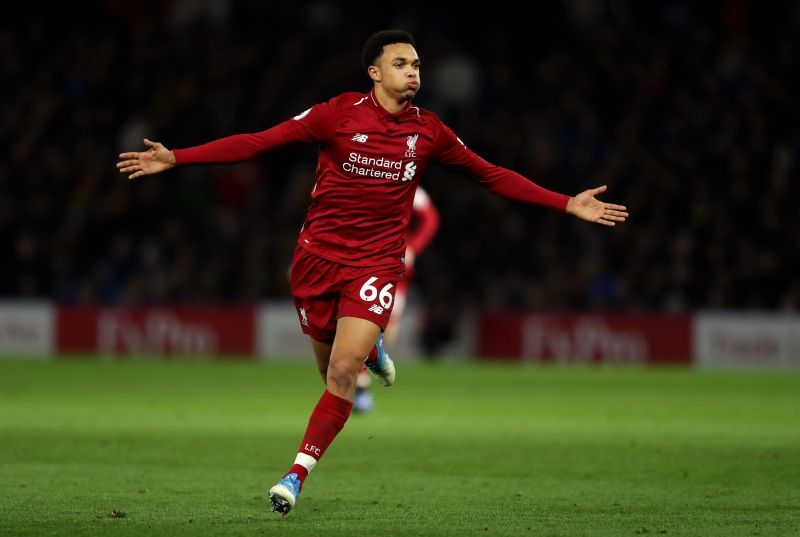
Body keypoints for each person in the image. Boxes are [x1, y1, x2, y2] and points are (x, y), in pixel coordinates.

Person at [116, 29, 628, 516]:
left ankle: (294, 475)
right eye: (401, 64)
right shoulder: (336, 115)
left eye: (417, 65)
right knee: (328, 373)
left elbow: (489, 174)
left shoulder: (429, 132)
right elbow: (258, 142)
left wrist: (566, 203)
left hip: (378, 263)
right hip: (316, 260)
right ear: (374, 72)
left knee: (343, 373)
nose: (413, 73)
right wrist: (177, 158)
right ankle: (374, 347)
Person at [353, 185, 440, 413]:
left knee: (385, 329)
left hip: (395, 264)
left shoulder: (406, 182)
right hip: (362, 259)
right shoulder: (358, 174)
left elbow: (431, 217)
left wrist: (413, 247)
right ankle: (360, 386)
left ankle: (367, 368)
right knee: (360, 321)